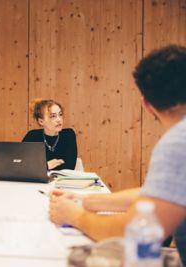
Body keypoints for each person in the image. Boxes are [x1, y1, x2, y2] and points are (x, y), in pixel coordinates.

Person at [49, 45, 186, 264]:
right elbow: (160, 194)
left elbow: (136, 231)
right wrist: (88, 201)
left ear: (147, 105)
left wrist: (74, 216)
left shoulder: (178, 142)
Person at [22, 99, 77, 170]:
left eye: (60, 114)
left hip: (61, 180)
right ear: (41, 121)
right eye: (53, 116)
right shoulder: (32, 136)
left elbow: (69, 167)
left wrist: (39, 167)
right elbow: (22, 165)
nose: (59, 119)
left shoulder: (68, 135)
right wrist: (47, 165)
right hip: (37, 180)